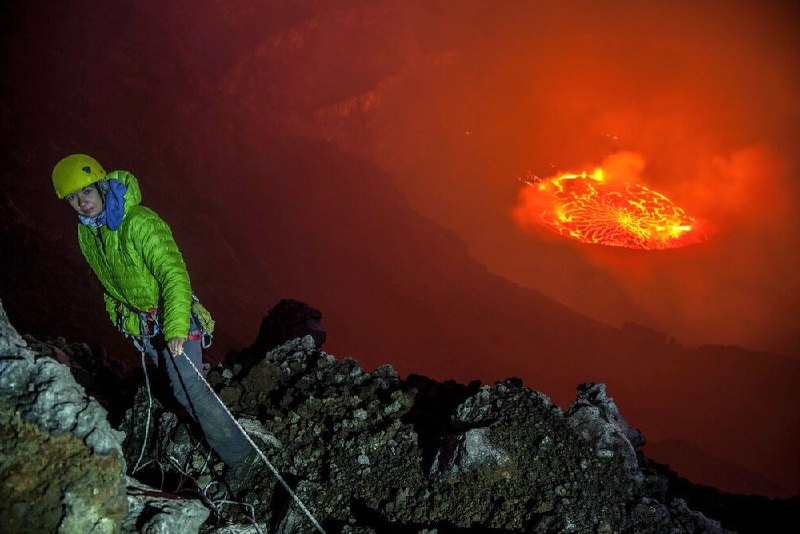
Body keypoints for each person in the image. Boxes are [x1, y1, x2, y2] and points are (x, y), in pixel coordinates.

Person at [52, 154, 255, 481]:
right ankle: (212, 442)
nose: (82, 202)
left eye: (86, 192)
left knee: (189, 388)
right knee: (177, 389)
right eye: (72, 198)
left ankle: (242, 458)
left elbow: (174, 275)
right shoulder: (88, 235)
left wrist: (175, 327)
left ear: (102, 185)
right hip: (144, 326)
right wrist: (119, 319)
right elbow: (107, 284)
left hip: (174, 319)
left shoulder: (139, 222)